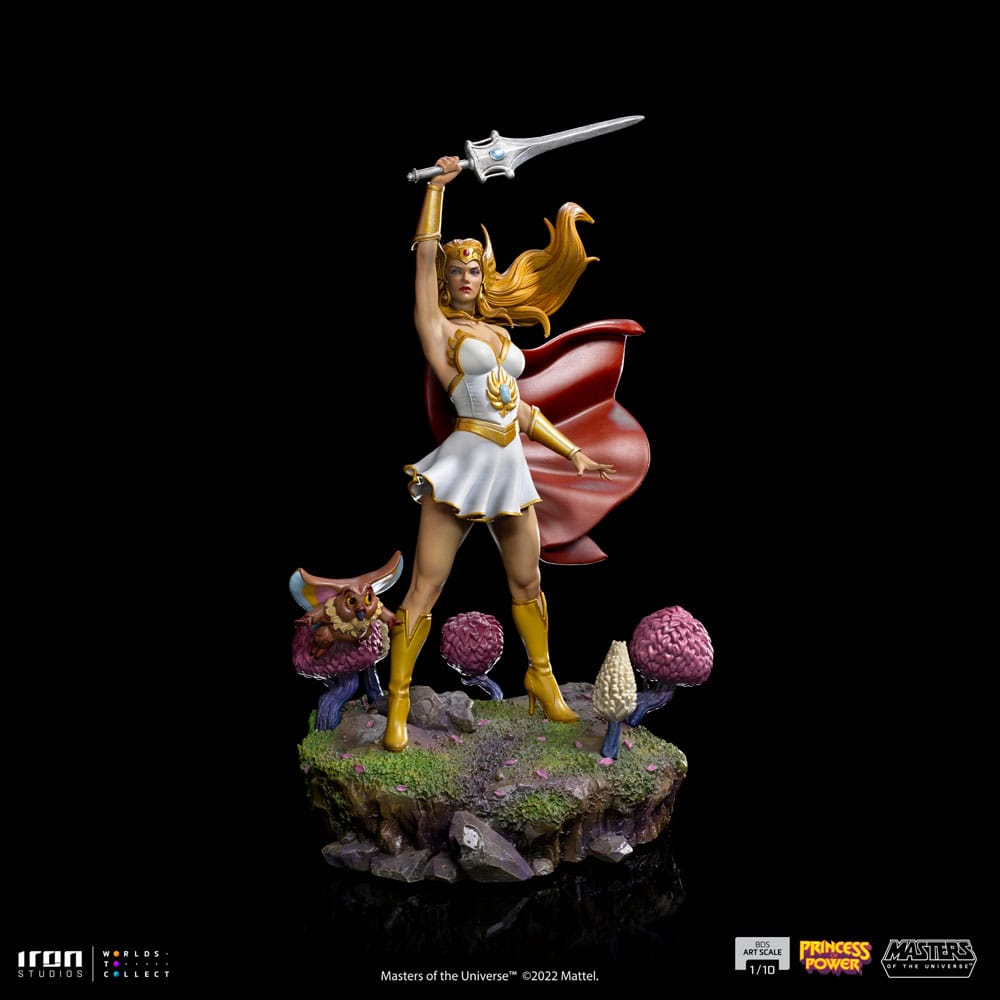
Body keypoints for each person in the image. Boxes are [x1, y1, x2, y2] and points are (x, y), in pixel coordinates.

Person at [384, 155, 616, 752]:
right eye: (456, 270)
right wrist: (437, 191)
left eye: (473, 269)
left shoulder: (500, 335)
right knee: (426, 587)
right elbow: (422, 258)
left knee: (527, 578)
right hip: (464, 465)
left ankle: (542, 680)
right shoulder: (438, 329)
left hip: (509, 465)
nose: (465, 277)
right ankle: (398, 702)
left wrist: (573, 452)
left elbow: (520, 409)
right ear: (445, 280)